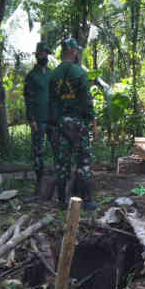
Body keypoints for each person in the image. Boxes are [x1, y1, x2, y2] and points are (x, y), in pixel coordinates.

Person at [48, 37, 99, 211]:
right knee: (83, 160)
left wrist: (53, 124)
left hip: (60, 123)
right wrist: (93, 123)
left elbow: (52, 102)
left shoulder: (53, 74)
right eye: (76, 50)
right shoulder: (79, 73)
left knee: (62, 162)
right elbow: (86, 101)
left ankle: (62, 200)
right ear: (73, 51)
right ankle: (86, 200)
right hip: (78, 123)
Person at [24, 42, 58, 196]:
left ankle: (59, 182)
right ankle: (39, 183)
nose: (44, 56)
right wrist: (31, 119)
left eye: (46, 54)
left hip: (52, 119)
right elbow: (28, 99)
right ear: (37, 55)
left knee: (57, 149)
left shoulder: (52, 74)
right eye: (42, 53)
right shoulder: (32, 76)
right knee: (38, 152)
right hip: (38, 119)